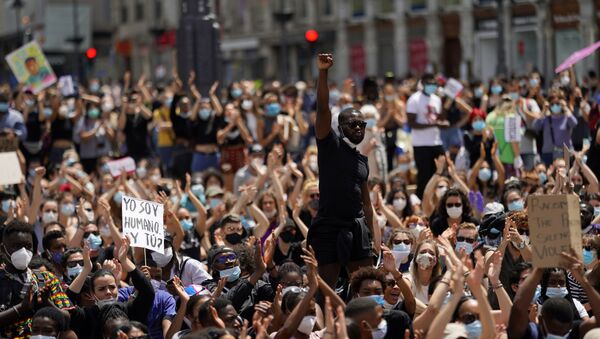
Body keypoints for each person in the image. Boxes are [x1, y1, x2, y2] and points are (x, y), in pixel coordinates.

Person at [307, 53, 374, 289]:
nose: (357, 127)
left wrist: (372, 237)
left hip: (357, 228)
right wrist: (323, 72)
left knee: (365, 286)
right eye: (352, 124)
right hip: (329, 227)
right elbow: (323, 109)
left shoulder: (362, 161)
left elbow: (367, 205)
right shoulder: (329, 145)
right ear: (340, 127)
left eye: (361, 124)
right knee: (324, 290)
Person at [0, 220, 74, 338]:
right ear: (3, 249)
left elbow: (66, 319)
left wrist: (47, 303)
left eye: (28, 246)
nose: (23, 251)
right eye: (17, 246)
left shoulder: (46, 278)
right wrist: (20, 309)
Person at [406, 73, 447, 198]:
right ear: (422, 84)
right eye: (429, 83)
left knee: (440, 174)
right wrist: (433, 125)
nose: (432, 86)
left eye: (434, 83)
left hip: (436, 142)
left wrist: (441, 123)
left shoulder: (437, 99)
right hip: (421, 144)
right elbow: (412, 123)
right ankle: (421, 203)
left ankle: (437, 202)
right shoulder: (414, 99)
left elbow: (439, 117)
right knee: (424, 176)